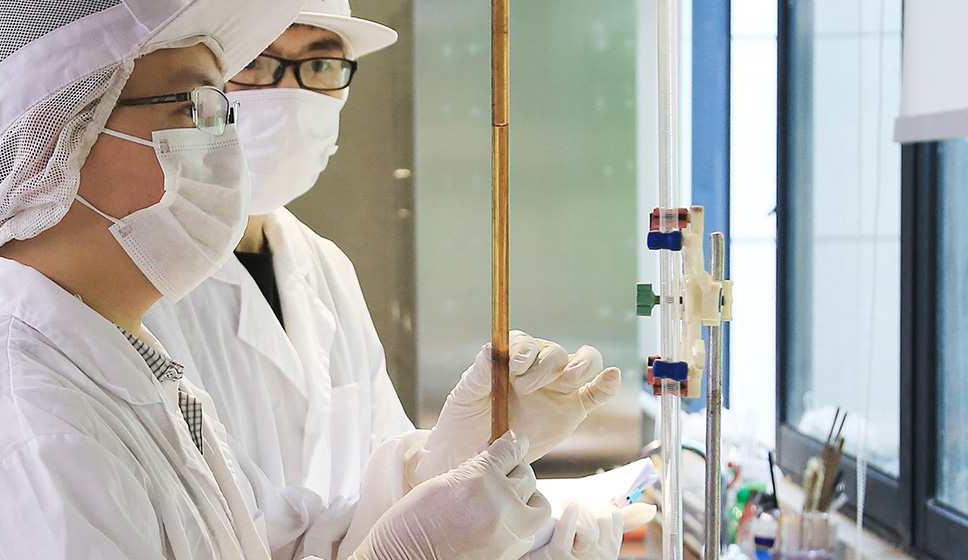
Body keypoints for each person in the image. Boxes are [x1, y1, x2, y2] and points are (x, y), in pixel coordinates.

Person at [0, 1, 564, 558]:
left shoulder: (123, 372)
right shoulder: (35, 441)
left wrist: (443, 469)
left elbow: (271, 541)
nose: (226, 140)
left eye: (220, 107)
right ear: (57, 142)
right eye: (193, 109)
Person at [142, 2, 646, 559]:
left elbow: (376, 513)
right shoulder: (140, 282)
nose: (289, 95)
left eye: (321, 64)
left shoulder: (325, 268)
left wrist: (467, 454)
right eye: (256, 63)